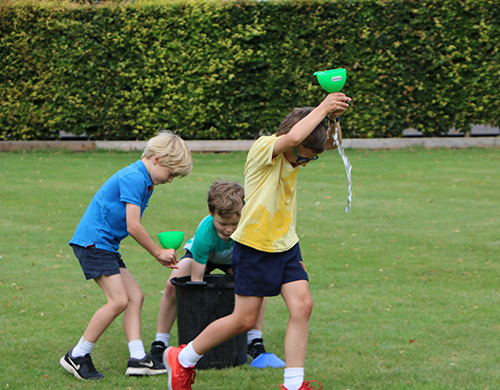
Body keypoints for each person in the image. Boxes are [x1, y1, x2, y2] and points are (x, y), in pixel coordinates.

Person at [164, 91, 351, 390]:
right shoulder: (265, 147)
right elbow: (292, 140)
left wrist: (332, 118)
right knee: (244, 320)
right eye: (303, 156)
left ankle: (293, 383)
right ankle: (183, 358)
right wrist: (322, 106)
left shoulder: (299, 148)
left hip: (285, 243)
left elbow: (329, 142)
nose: (303, 162)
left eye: (310, 160)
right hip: (254, 247)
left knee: (302, 306)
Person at [60, 130, 193, 380]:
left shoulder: (145, 180)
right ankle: (77, 355)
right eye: (171, 173)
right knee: (119, 300)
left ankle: (137, 359)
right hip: (94, 243)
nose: (171, 179)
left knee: (135, 297)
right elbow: (133, 226)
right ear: (156, 159)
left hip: (105, 245)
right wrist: (157, 253)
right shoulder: (134, 178)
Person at [150, 180, 273, 365]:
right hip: (203, 257)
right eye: (222, 223)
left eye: (234, 223)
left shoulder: (249, 228)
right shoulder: (205, 234)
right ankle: (160, 343)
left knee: (257, 285)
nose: (229, 229)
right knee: (172, 284)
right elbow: (197, 281)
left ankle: (254, 341)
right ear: (211, 212)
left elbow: (251, 265)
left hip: (233, 259)